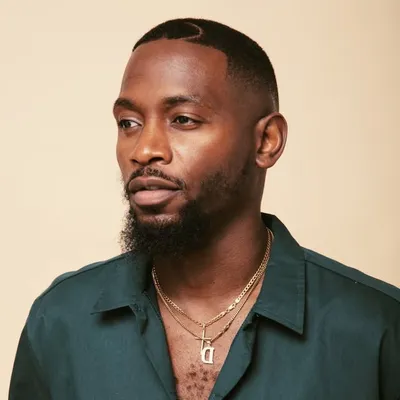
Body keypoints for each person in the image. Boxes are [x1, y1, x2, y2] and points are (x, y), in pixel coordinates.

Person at [9, 18, 400, 400]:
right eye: (129, 123)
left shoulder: (375, 330)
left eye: (183, 119)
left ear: (266, 141)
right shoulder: (60, 321)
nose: (144, 150)